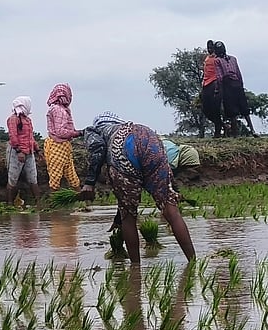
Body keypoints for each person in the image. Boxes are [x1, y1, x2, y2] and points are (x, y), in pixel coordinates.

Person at [79, 112, 196, 265]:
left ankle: (135, 270)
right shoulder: (131, 127)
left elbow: (98, 148)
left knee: (128, 217)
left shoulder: (94, 130)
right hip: (150, 138)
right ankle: (193, 262)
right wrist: (118, 218)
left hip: (122, 150)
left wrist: (89, 182)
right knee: (171, 211)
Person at [45, 83, 83, 192]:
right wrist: (77, 133)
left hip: (63, 146)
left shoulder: (59, 109)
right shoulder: (59, 110)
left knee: (71, 175)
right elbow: (60, 132)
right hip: (58, 146)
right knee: (55, 177)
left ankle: (81, 199)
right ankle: (53, 201)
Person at [214, 41, 256, 137]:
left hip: (227, 85)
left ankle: (236, 134)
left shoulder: (217, 61)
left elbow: (219, 77)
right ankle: (252, 130)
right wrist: (241, 85)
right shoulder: (233, 58)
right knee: (244, 108)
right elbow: (238, 73)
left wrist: (218, 89)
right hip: (237, 84)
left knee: (232, 110)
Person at [6, 96, 41, 207]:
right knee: (13, 178)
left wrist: (37, 149)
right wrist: (18, 151)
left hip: (29, 152)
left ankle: (39, 203)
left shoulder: (27, 120)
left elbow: (30, 137)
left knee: (33, 178)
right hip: (16, 153)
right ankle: (10, 204)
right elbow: (13, 136)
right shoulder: (13, 119)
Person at [201, 40, 225, 138]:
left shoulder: (218, 58)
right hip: (206, 83)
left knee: (215, 108)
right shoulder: (207, 58)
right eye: (208, 47)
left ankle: (218, 131)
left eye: (211, 47)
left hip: (215, 82)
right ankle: (222, 125)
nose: (209, 49)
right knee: (205, 109)